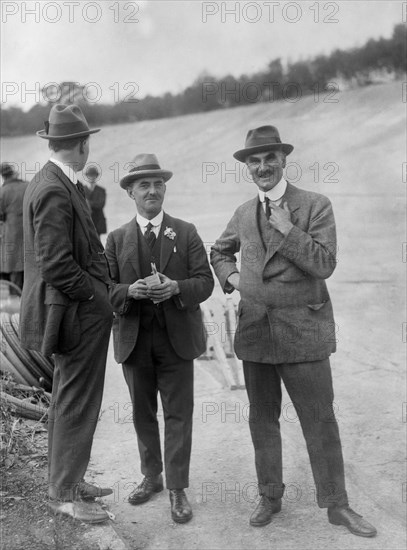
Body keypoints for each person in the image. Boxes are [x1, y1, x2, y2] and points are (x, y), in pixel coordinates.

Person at [210, 125, 377, 537]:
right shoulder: (243, 213)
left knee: (320, 421)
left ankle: (337, 506)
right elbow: (219, 250)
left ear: (284, 160)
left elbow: (324, 265)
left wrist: (288, 229)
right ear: (247, 168)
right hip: (256, 333)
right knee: (262, 420)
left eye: (270, 158)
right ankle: (270, 497)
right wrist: (231, 279)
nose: (263, 166)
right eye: (254, 160)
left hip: (305, 333)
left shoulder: (315, 205)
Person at [105, 153, 214, 524]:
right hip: (134, 340)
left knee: (179, 414)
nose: (152, 191)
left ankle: (177, 487)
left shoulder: (185, 232)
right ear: (130, 193)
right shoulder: (117, 239)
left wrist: (176, 288)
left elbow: (205, 282)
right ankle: (151, 476)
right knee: (142, 412)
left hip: (177, 340)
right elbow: (104, 289)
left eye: (157, 184)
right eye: (143, 185)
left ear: (164, 188)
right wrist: (128, 291)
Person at [19, 104, 113, 524]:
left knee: (65, 398)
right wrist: (96, 297)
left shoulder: (54, 180)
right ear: (82, 144)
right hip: (75, 314)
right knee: (77, 400)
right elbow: (57, 263)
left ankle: (69, 481)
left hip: (68, 312)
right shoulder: (55, 188)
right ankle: (63, 494)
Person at [0, 163, 28, 293]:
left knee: (14, 267)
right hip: (30, 231)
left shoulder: (3, 191)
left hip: (11, 234)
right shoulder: (27, 186)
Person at [83, 165, 107, 238]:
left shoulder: (101, 190)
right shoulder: (81, 190)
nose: (92, 177)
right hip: (86, 221)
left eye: (93, 175)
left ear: (96, 176)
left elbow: (101, 205)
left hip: (98, 221)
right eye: (90, 175)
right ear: (86, 176)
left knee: (97, 243)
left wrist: (88, 203)